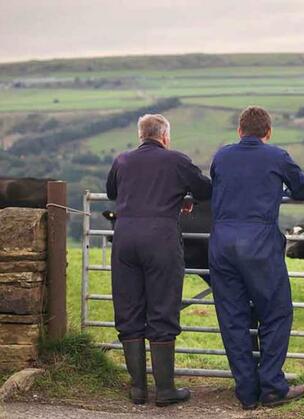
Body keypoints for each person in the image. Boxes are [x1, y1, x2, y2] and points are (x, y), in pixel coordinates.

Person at [209, 106, 304, 410]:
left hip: (222, 243)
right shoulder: (276, 156)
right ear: (268, 133)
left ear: (239, 131)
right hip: (260, 243)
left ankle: (246, 392)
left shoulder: (221, 156)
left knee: (233, 318)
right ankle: (272, 386)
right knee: (277, 313)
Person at [106, 114, 212, 406]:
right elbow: (206, 190)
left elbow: (112, 192)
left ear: (141, 135)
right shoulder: (176, 160)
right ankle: (165, 390)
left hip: (125, 239)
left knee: (129, 310)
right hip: (160, 239)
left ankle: (138, 389)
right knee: (162, 308)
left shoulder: (122, 161)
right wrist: (184, 196)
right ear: (165, 137)